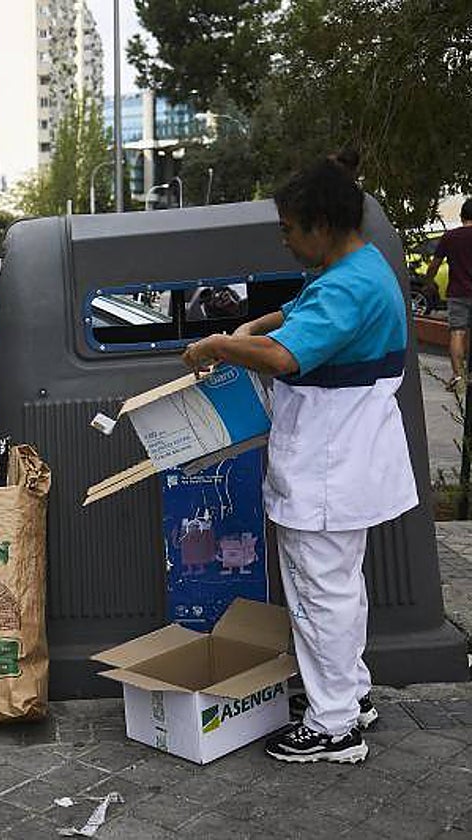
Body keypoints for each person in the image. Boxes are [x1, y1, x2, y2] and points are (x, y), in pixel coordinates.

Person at [181, 150, 418, 764]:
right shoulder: (355, 271)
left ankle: (334, 725)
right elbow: (290, 316)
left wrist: (220, 346)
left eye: (288, 229)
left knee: (319, 596)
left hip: (329, 468)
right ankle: (348, 694)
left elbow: (287, 356)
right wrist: (242, 335)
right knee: (338, 589)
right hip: (339, 460)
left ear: (320, 224)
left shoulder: (350, 286)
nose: (284, 240)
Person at [423, 198, 472, 390]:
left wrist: (429, 282)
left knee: (457, 332)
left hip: (457, 293)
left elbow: (434, 264)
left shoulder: (450, 237)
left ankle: (458, 377)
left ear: (461, 216)